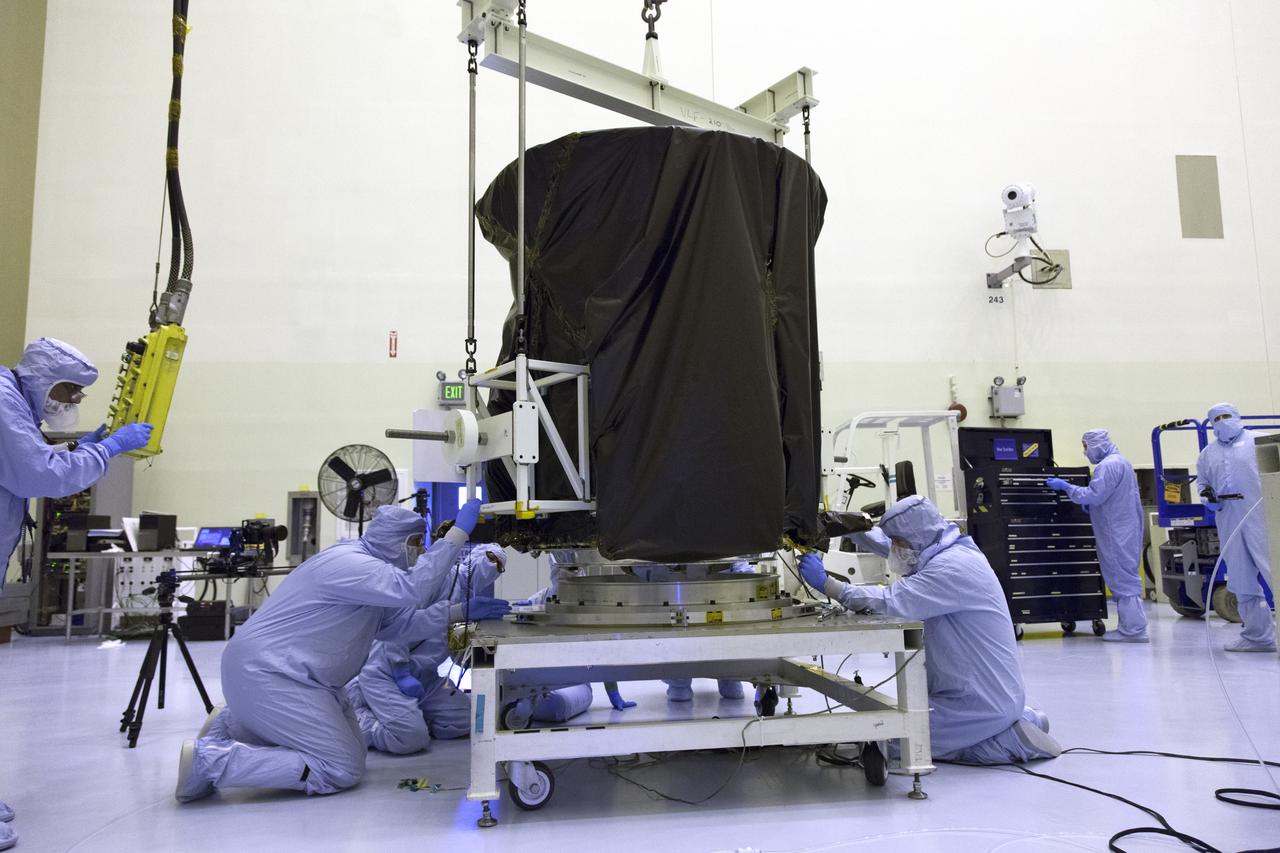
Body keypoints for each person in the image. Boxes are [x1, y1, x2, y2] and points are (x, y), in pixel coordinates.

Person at [174, 501, 504, 801]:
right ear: (394, 540)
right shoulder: (351, 563)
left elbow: (396, 627)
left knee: (356, 752)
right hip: (270, 674)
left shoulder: (370, 574)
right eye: (415, 543)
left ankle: (235, 723)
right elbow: (414, 588)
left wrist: (459, 612)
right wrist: (459, 534)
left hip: (299, 680)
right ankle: (208, 763)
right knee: (339, 768)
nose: (419, 551)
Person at [1, 338, 152, 849]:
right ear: (44, 379)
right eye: (72, 391)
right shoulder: (2, 398)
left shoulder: (13, 403)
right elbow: (39, 473)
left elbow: (32, 459)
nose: (76, 402)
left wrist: (86, 448)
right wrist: (105, 449)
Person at [799, 496, 1061, 764]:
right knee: (909, 733)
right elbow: (895, 547)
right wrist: (849, 526)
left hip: (979, 705)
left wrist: (830, 585)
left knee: (896, 743)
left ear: (916, 538)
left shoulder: (952, 568)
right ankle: (1021, 721)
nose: (894, 549)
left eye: (897, 543)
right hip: (970, 694)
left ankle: (1010, 739)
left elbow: (892, 601)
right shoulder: (943, 548)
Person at [345, 542, 511, 752]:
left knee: (464, 721)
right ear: (472, 556)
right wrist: (401, 672)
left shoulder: (471, 599)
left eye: (499, 566)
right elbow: (398, 626)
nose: (492, 568)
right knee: (411, 739)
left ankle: (405, 713)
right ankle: (361, 717)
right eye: (490, 559)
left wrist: (485, 654)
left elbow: (458, 653)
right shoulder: (438, 580)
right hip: (387, 672)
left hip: (425, 677)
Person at [1046, 430, 1149, 642]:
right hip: (1124, 528)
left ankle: (1133, 631)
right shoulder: (1122, 462)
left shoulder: (1108, 465)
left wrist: (1066, 487)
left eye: (1085, 446)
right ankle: (1132, 627)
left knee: (1122, 579)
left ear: (1097, 444)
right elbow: (1108, 497)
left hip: (1115, 533)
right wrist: (1093, 507)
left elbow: (1094, 495)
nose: (1085, 452)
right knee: (1126, 578)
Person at [1197, 403, 1276, 652]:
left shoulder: (1260, 441)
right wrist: (1208, 498)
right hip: (1229, 517)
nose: (1222, 421)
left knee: (1275, 570)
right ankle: (1257, 636)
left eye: (1226, 416)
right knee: (1241, 578)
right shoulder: (1208, 454)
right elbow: (1202, 484)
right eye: (1216, 419)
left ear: (1237, 417)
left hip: (1262, 515)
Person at [630, 562, 750, 702]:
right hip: (679, 601)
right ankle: (683, 685)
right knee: (681, 647)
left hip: (712, 601)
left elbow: (740, 565)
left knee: (720, 644)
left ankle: (727, 680)